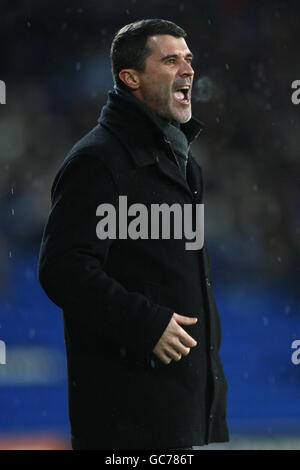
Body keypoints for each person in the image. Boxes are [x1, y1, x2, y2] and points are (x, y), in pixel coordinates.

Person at [38, 19, 229, 450]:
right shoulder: (99, 160)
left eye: (189, 59)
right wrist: (146, 325)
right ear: (130, 78)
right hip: (125, 414)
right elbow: (63, 268)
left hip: (173, 406)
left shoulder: (183, 163)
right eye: (170, 59)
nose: (188, 69)